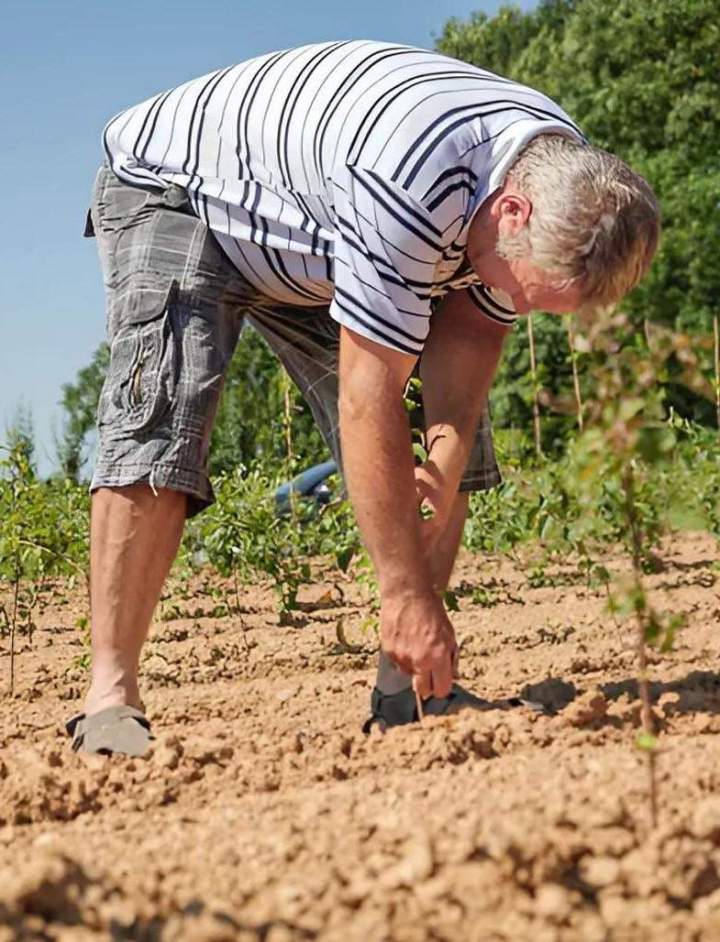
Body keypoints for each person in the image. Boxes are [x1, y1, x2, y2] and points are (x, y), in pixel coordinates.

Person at [67, 40, 659, 756]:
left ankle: (407, 695)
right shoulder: (413, 181)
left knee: (441, 450)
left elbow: (470, 336)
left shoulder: (561, 184)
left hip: (319, 235)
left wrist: (440, 458)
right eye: (524, 292)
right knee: (162, 412)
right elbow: (365, 398)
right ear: (511, 211)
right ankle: (109, 700)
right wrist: (406, 594)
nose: (520, 310)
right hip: (184, 192)